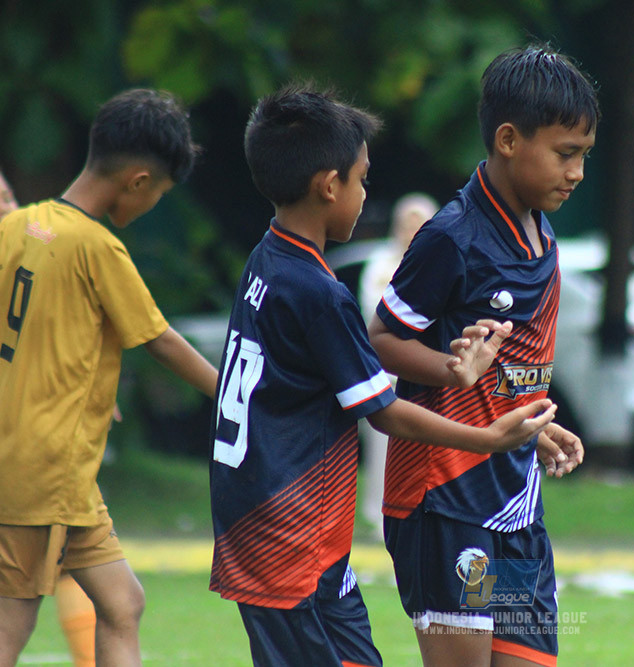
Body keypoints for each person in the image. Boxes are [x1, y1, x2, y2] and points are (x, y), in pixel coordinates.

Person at [208, 83, 557, 667]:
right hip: (290, 545)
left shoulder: (265, 262)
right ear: (329, 185)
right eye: (362, 179)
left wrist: (482, 392)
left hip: (294, 544)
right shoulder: (322, 294)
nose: (366, 195)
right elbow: (386, 411)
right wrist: (486, 438)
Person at [368, 43, 597, 667]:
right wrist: (447, 367)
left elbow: (505, 371)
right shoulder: (451, 237)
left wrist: (535, 426)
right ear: (507, 140)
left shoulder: (542, 234)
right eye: (565, 154)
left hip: (516, 505)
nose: (576, 173)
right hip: (445, 499)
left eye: (583, 156)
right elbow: (380, 339)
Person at [0, 89, 219, 666]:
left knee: (122, 603)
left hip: (60, 473)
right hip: (42, 474)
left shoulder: (18, 226)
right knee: (8, 628)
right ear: (139, 181)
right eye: (161, 195)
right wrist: (237, 396)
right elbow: (163, 342)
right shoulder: (97, 246)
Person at [0, 170, 98, 667]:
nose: (9, 210)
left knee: (102, 584)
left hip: (41, 454)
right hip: (20, 457)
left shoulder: (27, 261)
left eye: (9, 196)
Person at [357, 192, 439, 540]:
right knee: (381, 446)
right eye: (407, 224)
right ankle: (378, 512)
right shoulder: (381, 264)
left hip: (430, 369)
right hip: (386, 371)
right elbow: (376, 315)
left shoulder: (438, 263)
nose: (412, 231)